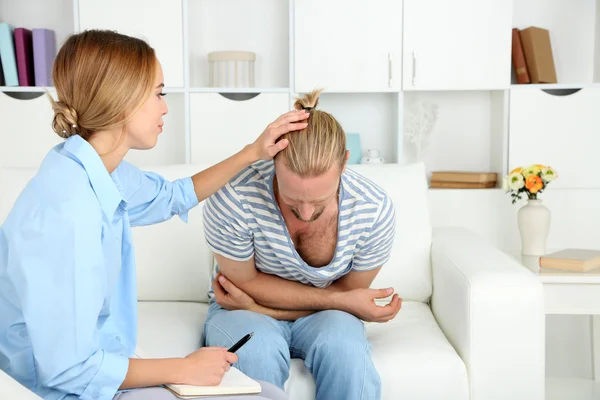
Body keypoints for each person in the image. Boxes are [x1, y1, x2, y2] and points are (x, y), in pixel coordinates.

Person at [0, 30, 307, 400]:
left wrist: (252, 152)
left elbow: (172, 196)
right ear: (121, 100)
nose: (165, 107)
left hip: (99, 367)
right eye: (159, 93)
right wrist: (183, 367)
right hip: (61, 390)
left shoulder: (91, 165)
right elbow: (68, 371)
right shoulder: (68, 214)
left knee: (269, 393)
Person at [202, 89, 400, 400]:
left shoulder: (372, 210)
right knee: (257, 351)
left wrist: (257, 302)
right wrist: (255, 308)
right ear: (274, 160)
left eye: (319, 200)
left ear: (345, 164)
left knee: (346, 353)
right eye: (292, 199)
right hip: (241, 311)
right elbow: (242, 283)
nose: (305, 214)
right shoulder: (234, 196)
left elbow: (349, 294)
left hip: (318, 313)